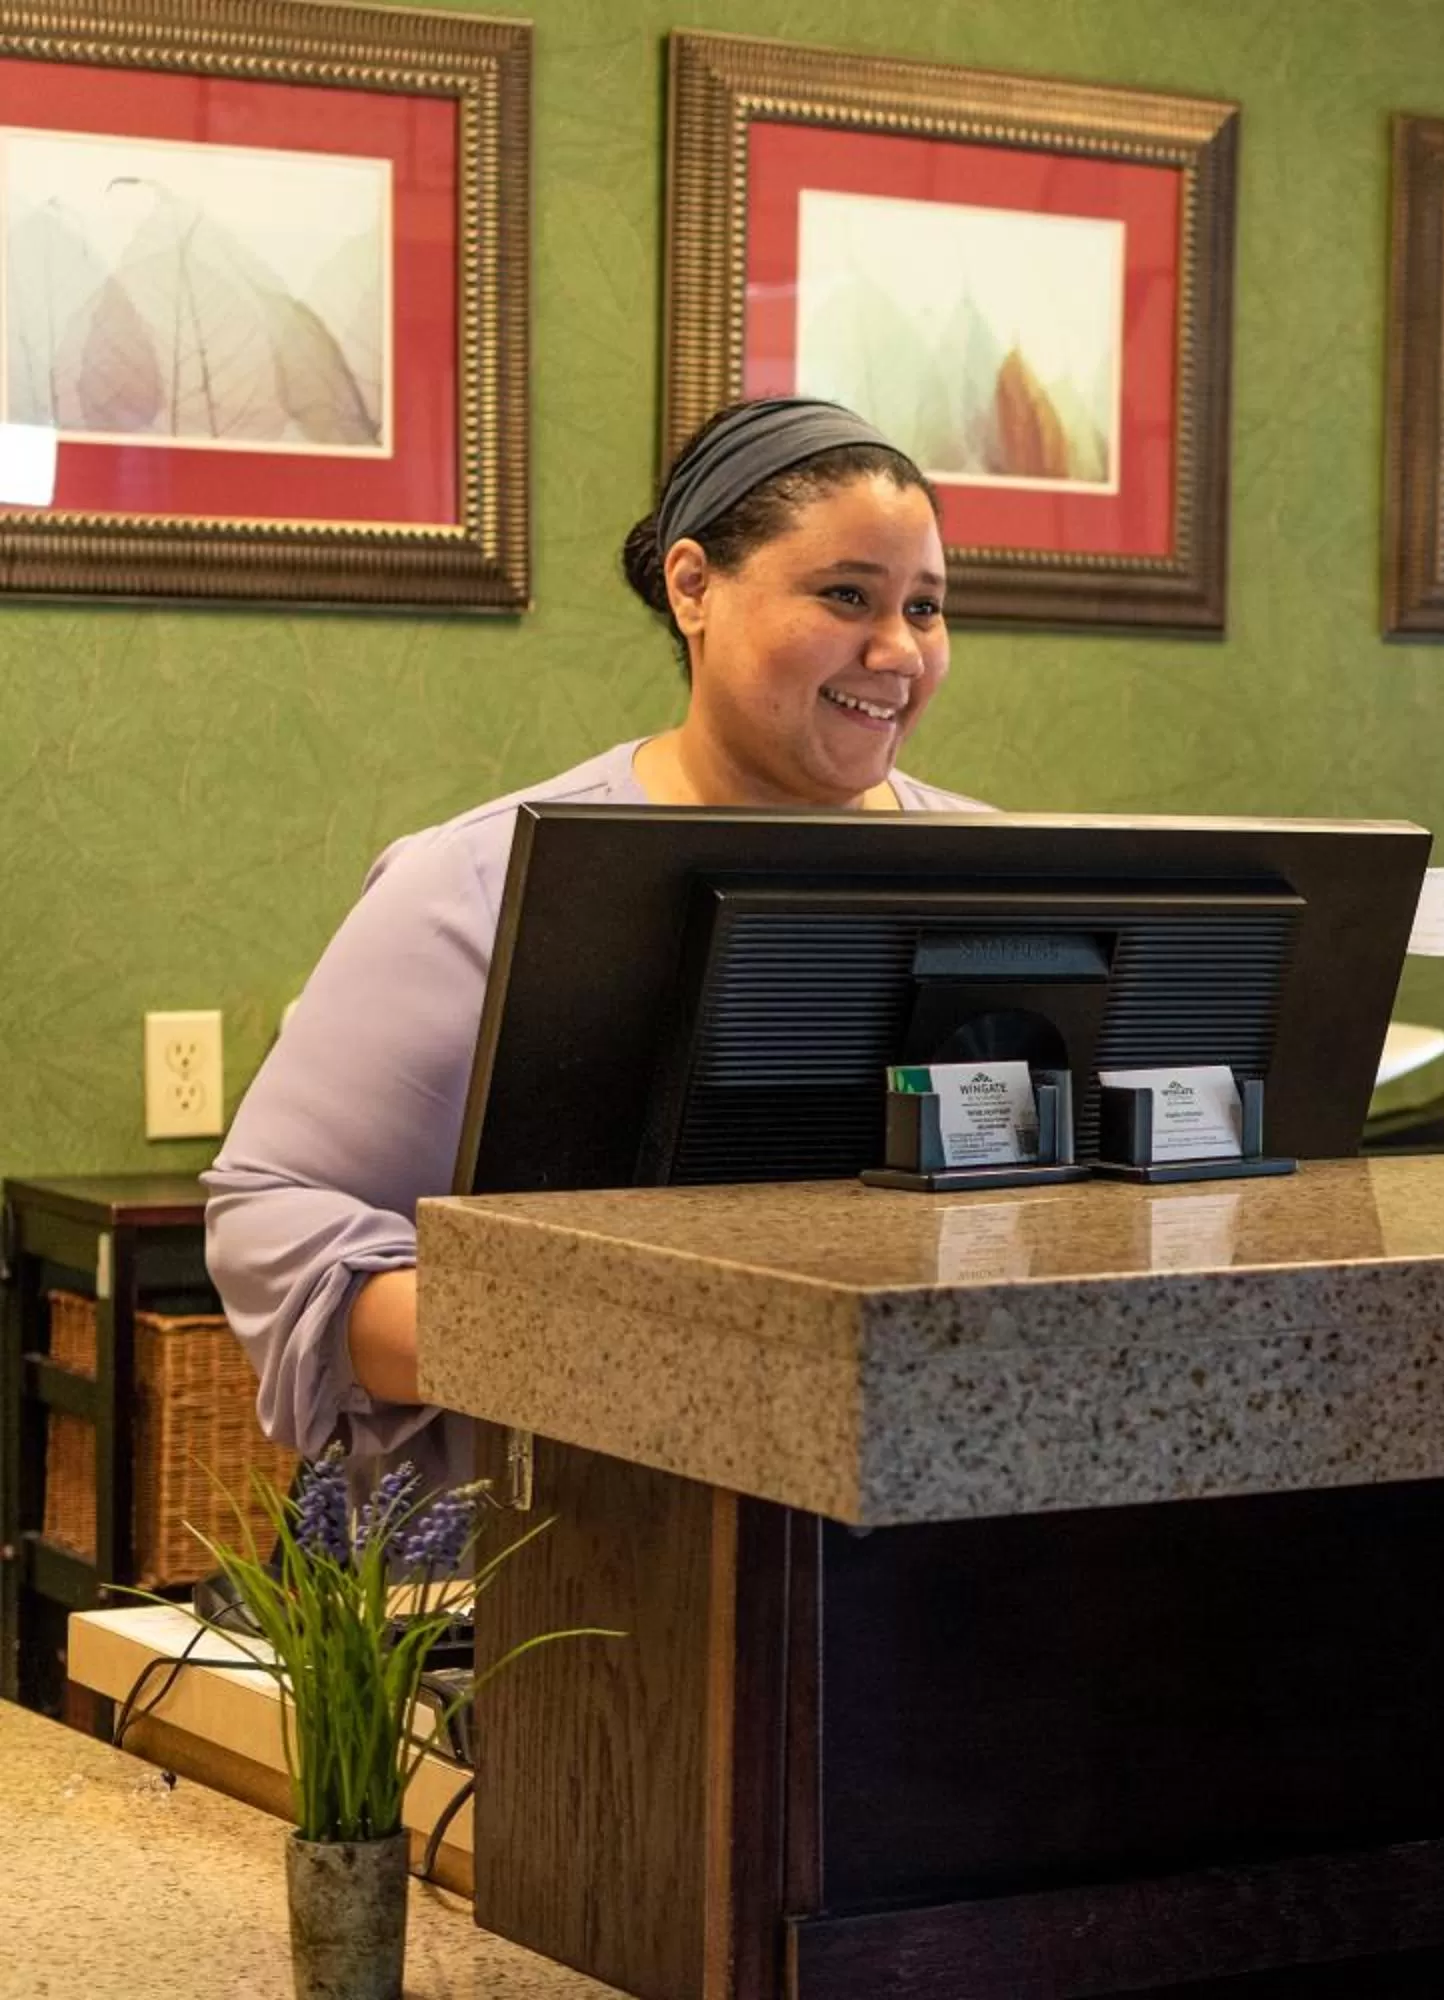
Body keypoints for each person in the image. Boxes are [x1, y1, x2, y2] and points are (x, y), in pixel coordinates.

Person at [208, 397, 986, 1488]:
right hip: (564, 1545)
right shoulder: (480, 879)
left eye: (928, 606)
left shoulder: (999, 873)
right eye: (846, 594)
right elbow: (269, 1217)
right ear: (692, 586)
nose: (898, 648)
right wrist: (598, 1356)